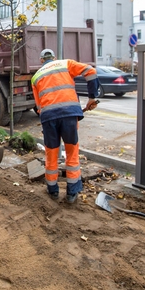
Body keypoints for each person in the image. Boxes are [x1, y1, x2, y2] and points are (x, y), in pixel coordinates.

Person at [31, 48, 99, 204]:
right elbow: (90, 71)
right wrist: (92, 98)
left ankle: (52, 190)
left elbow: (39, 106)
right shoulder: (65, 64)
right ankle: (71, 193)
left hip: (48, 118)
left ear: (41, 61)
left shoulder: (36, 77)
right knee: (72, 152)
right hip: (69, 115)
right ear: (54, 58)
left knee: (51, 153)